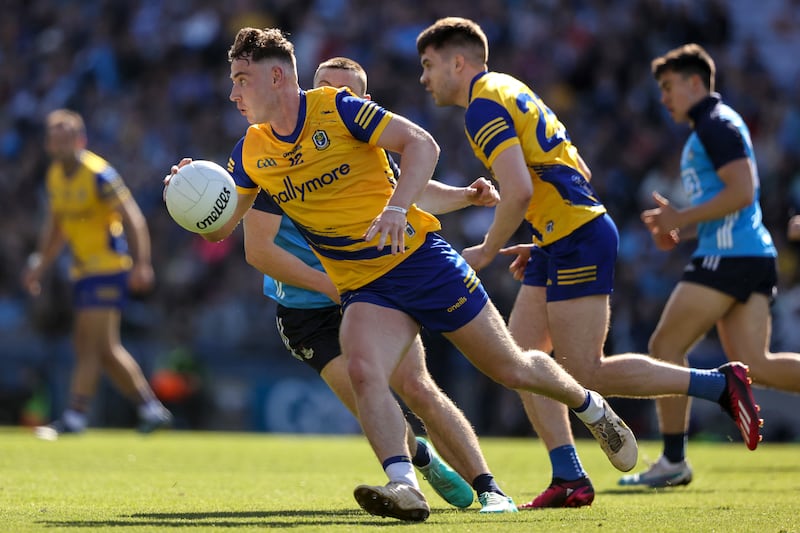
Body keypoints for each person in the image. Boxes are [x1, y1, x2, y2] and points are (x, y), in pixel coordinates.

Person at [166, 26, 639, 523]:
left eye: (241, 79)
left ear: (277, 76)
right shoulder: (250, 152)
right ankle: (405, 485)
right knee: (364, 371)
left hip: (422, 260)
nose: (232, 92)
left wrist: (396, 209)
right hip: (365, 286)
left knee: (511, 368)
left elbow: (422, 144)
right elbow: (223, 228)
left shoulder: (339, 107)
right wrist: (190, 193)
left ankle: (590, 405)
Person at [415, 17, 762, 508]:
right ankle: (569, 477)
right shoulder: (511, 88)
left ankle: (719, 383)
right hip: (562, 237)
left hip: (576, 236)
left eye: (428, 65)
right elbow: (579, 169)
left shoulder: (483, 104)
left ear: (458, 61)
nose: (423, 78)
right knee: (521, 361)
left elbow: (518, 191)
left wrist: (489, 249)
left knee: (585, 371)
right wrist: (543, 240)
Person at [242, 56, 509, 512]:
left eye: (343, 93)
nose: (331, 97)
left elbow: (415, 192)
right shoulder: (274, 153)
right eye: (323, 87)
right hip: (312, 306)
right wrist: (333, 285)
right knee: (367, 389)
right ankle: (418, 462)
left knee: (418, 386)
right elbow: (260, 250)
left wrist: (466, 196)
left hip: (374, 285)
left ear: (364, 103)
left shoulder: (366, 145)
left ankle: (489, 488)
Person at [618, 43, 800, 488]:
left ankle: (674, 460)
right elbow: (730, 205)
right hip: (749, 253)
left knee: (664, 346)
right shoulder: (717, 126)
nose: (664, 98)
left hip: (729, 257)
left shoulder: (714, 125)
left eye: (668, 87)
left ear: (695, 82)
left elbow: (742, 191)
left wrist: (680, 217)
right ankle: (674, 459)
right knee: (756, 362)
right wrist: (679, 226)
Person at [22, 109, 172, 440]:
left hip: (108, 267)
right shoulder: (55, 178)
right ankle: (150, 408)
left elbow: (132, 218)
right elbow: (56, 229)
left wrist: (142, 263)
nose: (60, 146)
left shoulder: (98, 174)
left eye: (66, 140)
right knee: (105, 348)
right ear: (48, 144)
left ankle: (75, 417)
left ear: (80, 140)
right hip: (83, 270)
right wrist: (39, 266)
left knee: (87, 343)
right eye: (55, 140)